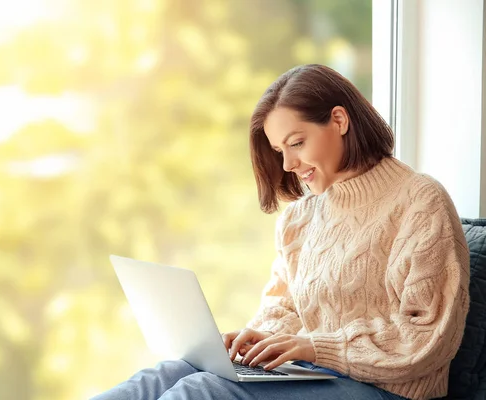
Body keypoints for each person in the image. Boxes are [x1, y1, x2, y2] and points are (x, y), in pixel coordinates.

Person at [92, 64, 470, 400]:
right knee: (164, 375)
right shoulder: (299, 218)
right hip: (314, 376)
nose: (288, 164)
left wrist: (315, 347)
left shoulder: (420, 201)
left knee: (201, 391)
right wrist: (253, 341)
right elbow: (285, 308)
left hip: (386, 391)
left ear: (339, 120)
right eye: (278, 150)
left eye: (297, 143)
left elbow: (426, 339)